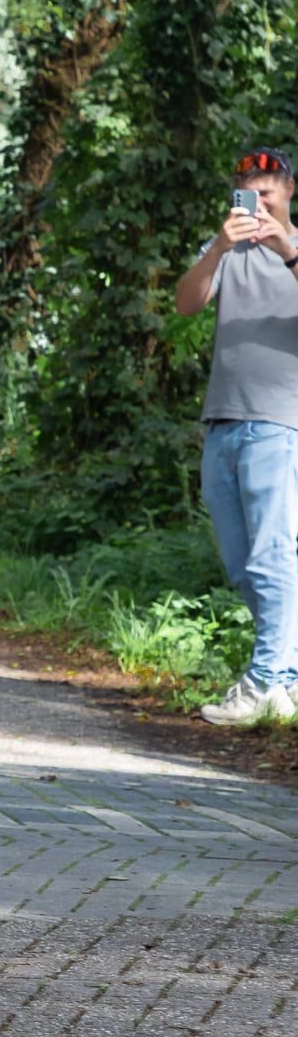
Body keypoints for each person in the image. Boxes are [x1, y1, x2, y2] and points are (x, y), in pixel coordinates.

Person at [175, 147, 298, 725]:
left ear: (289, 190)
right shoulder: (227, 249)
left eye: (267, 189)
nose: (259, 200)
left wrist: (286, 250)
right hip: (222, 420)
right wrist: (219, 248)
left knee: (274, 556)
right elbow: (186, 303)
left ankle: (265, 680)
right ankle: (287, 678)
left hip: (279, 422)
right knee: (242, 564)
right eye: (249, 190)